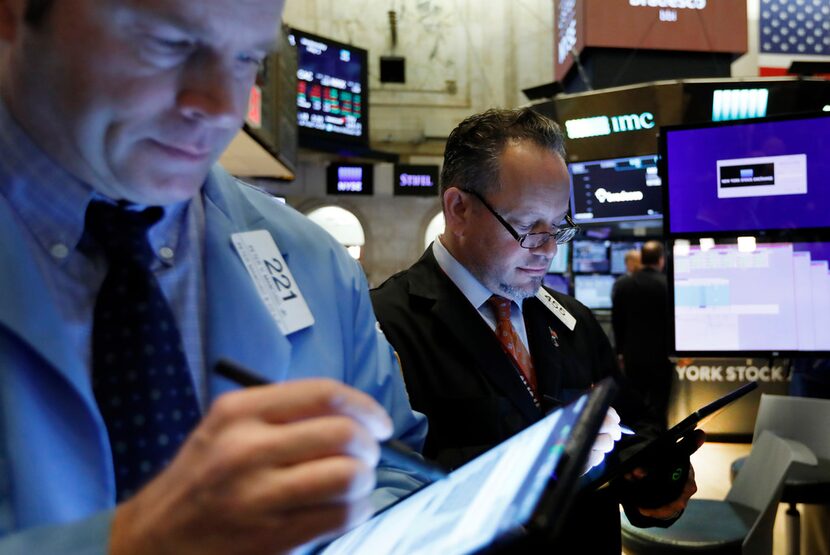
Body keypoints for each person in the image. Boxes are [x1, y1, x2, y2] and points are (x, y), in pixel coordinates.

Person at [0, 1, 426, 554]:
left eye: (247, 57)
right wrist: (136, 543)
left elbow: (398, 476)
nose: (223, 107)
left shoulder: (315, 264)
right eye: (168, 44)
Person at [371, 108, 699, 553]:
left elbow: (628, 423)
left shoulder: (572, 319)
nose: (547, 251)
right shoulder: (385, 326)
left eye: (559, 227)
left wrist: (650, 479)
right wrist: (541, 462)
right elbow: (385, 492)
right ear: (458, 208)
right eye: (527, 228)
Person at [612, 240, 673, 429]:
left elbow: (617, 322)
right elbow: (672, 323)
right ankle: (660, 444)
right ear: (661, 260)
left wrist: (620, 352)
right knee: (659, 406)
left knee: (633, 405)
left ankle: (634, 446)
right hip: (662, 357)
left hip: (633, 356)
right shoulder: (668, 285)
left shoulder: (623, 284)